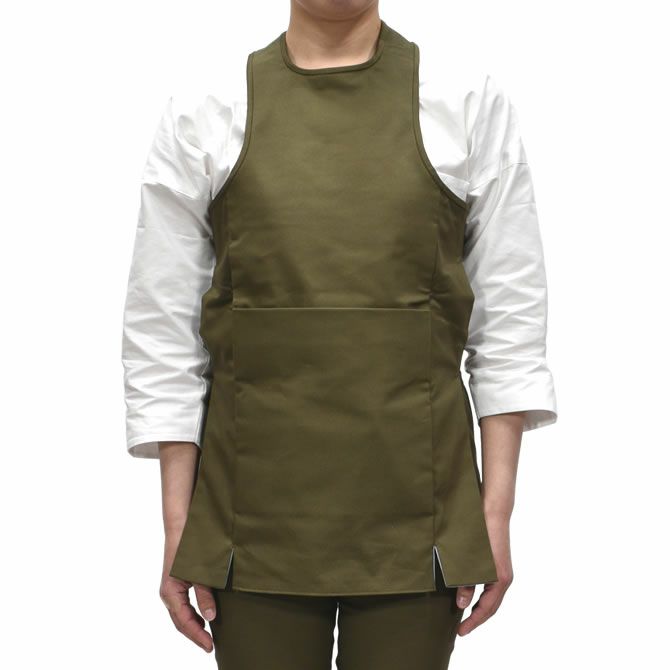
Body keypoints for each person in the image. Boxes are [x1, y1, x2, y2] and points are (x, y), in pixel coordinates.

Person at [121, 1, 558, 668]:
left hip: (420, 524)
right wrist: (179, 523)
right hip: (248, 525)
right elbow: (163, 328)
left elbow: (510, 319)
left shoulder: (467, 101)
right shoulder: (204, 110)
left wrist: (495, 514)